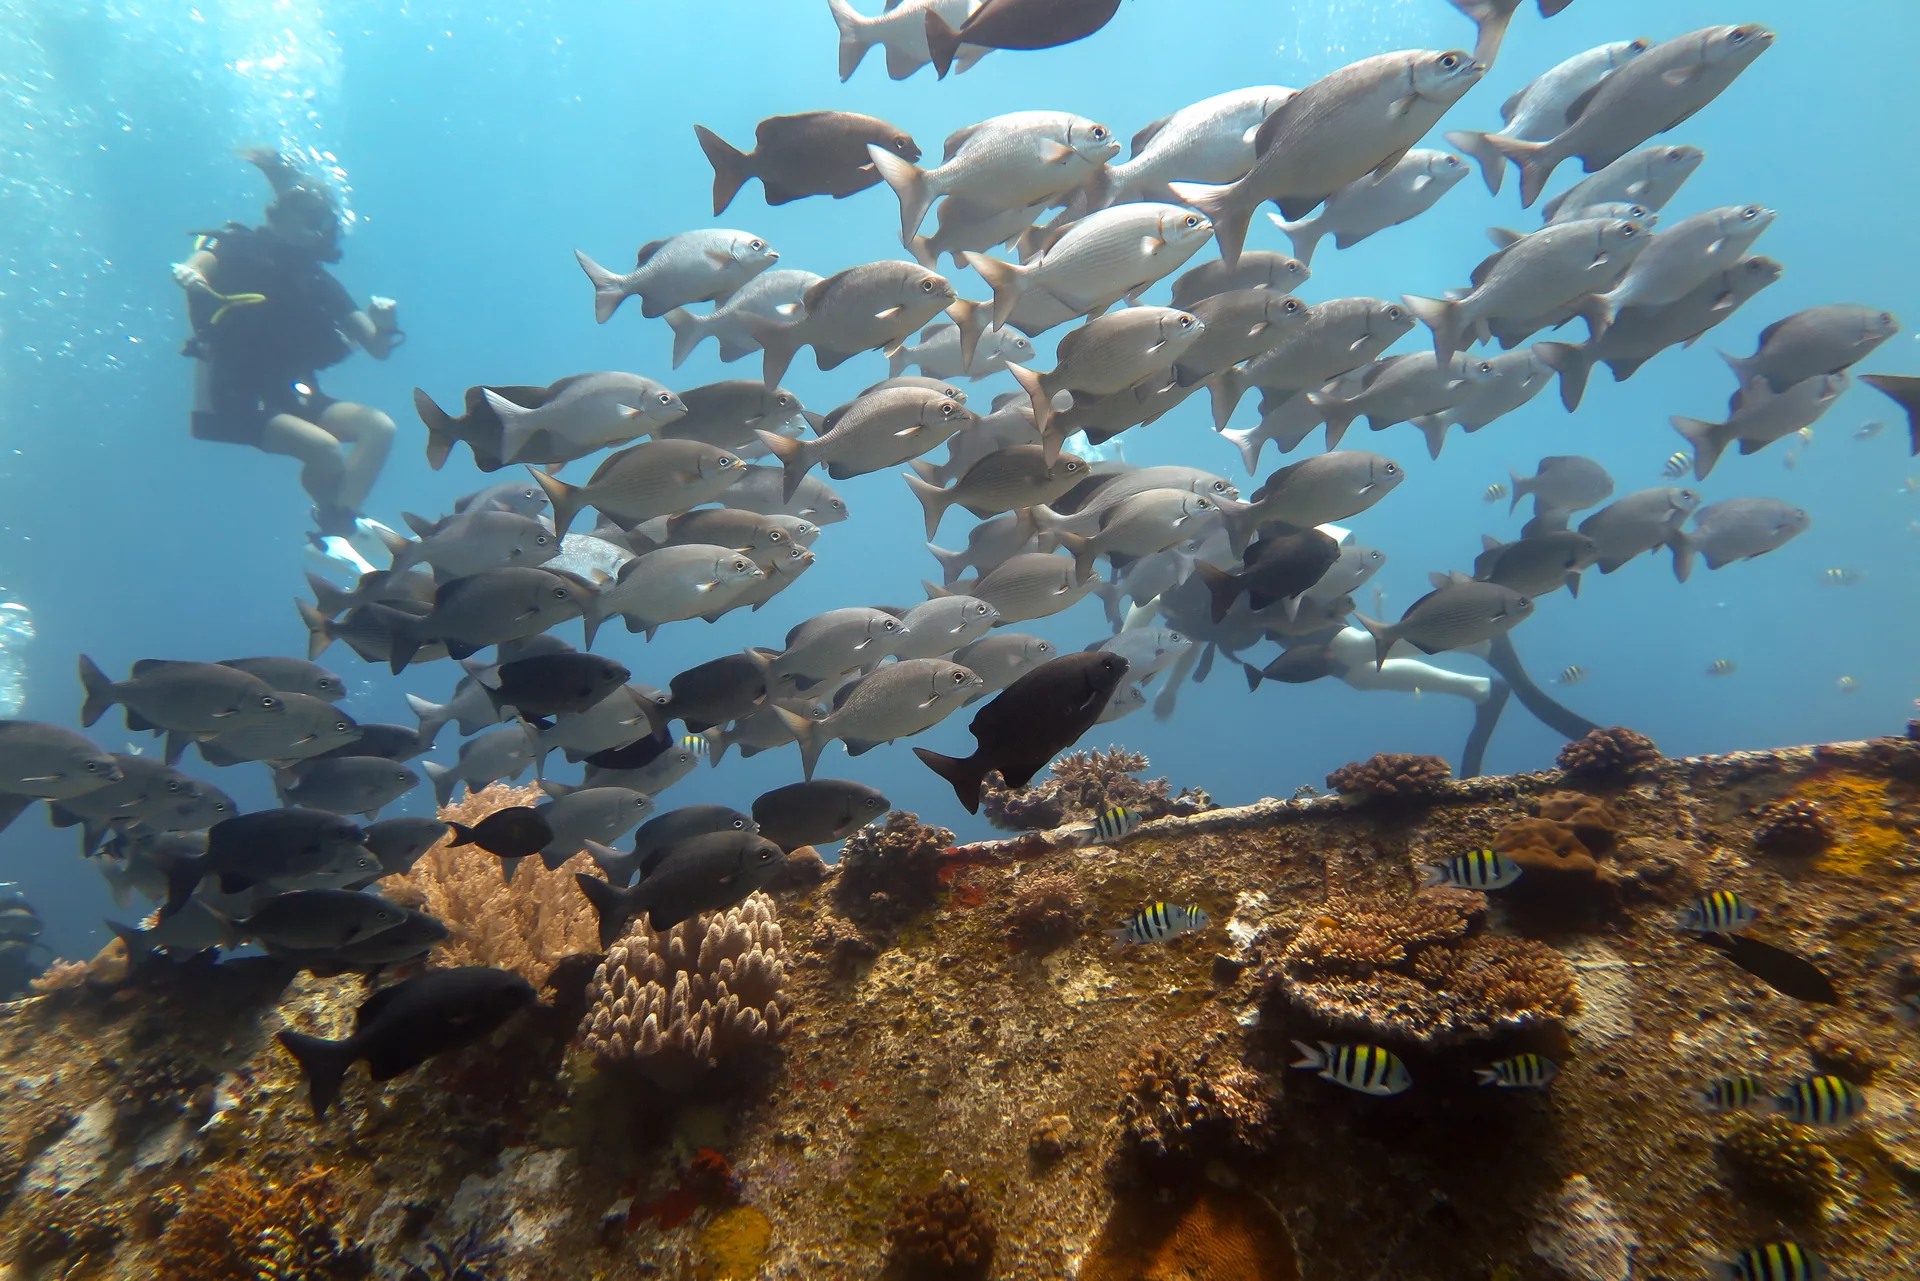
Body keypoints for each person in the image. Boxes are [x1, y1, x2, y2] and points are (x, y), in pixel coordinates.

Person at [174, 147, 404, 544]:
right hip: (232, 392)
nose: (318, 228)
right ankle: (332, 525)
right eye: (310, 217)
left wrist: (385, 323)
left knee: (378, 427)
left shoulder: (317, 281)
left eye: (322, 220)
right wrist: (189, 275)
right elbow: (199, 266)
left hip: (292, 390)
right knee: (325, 450)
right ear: (278, 215)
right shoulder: (237, 247)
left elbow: (377, 346)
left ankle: (339, 519)